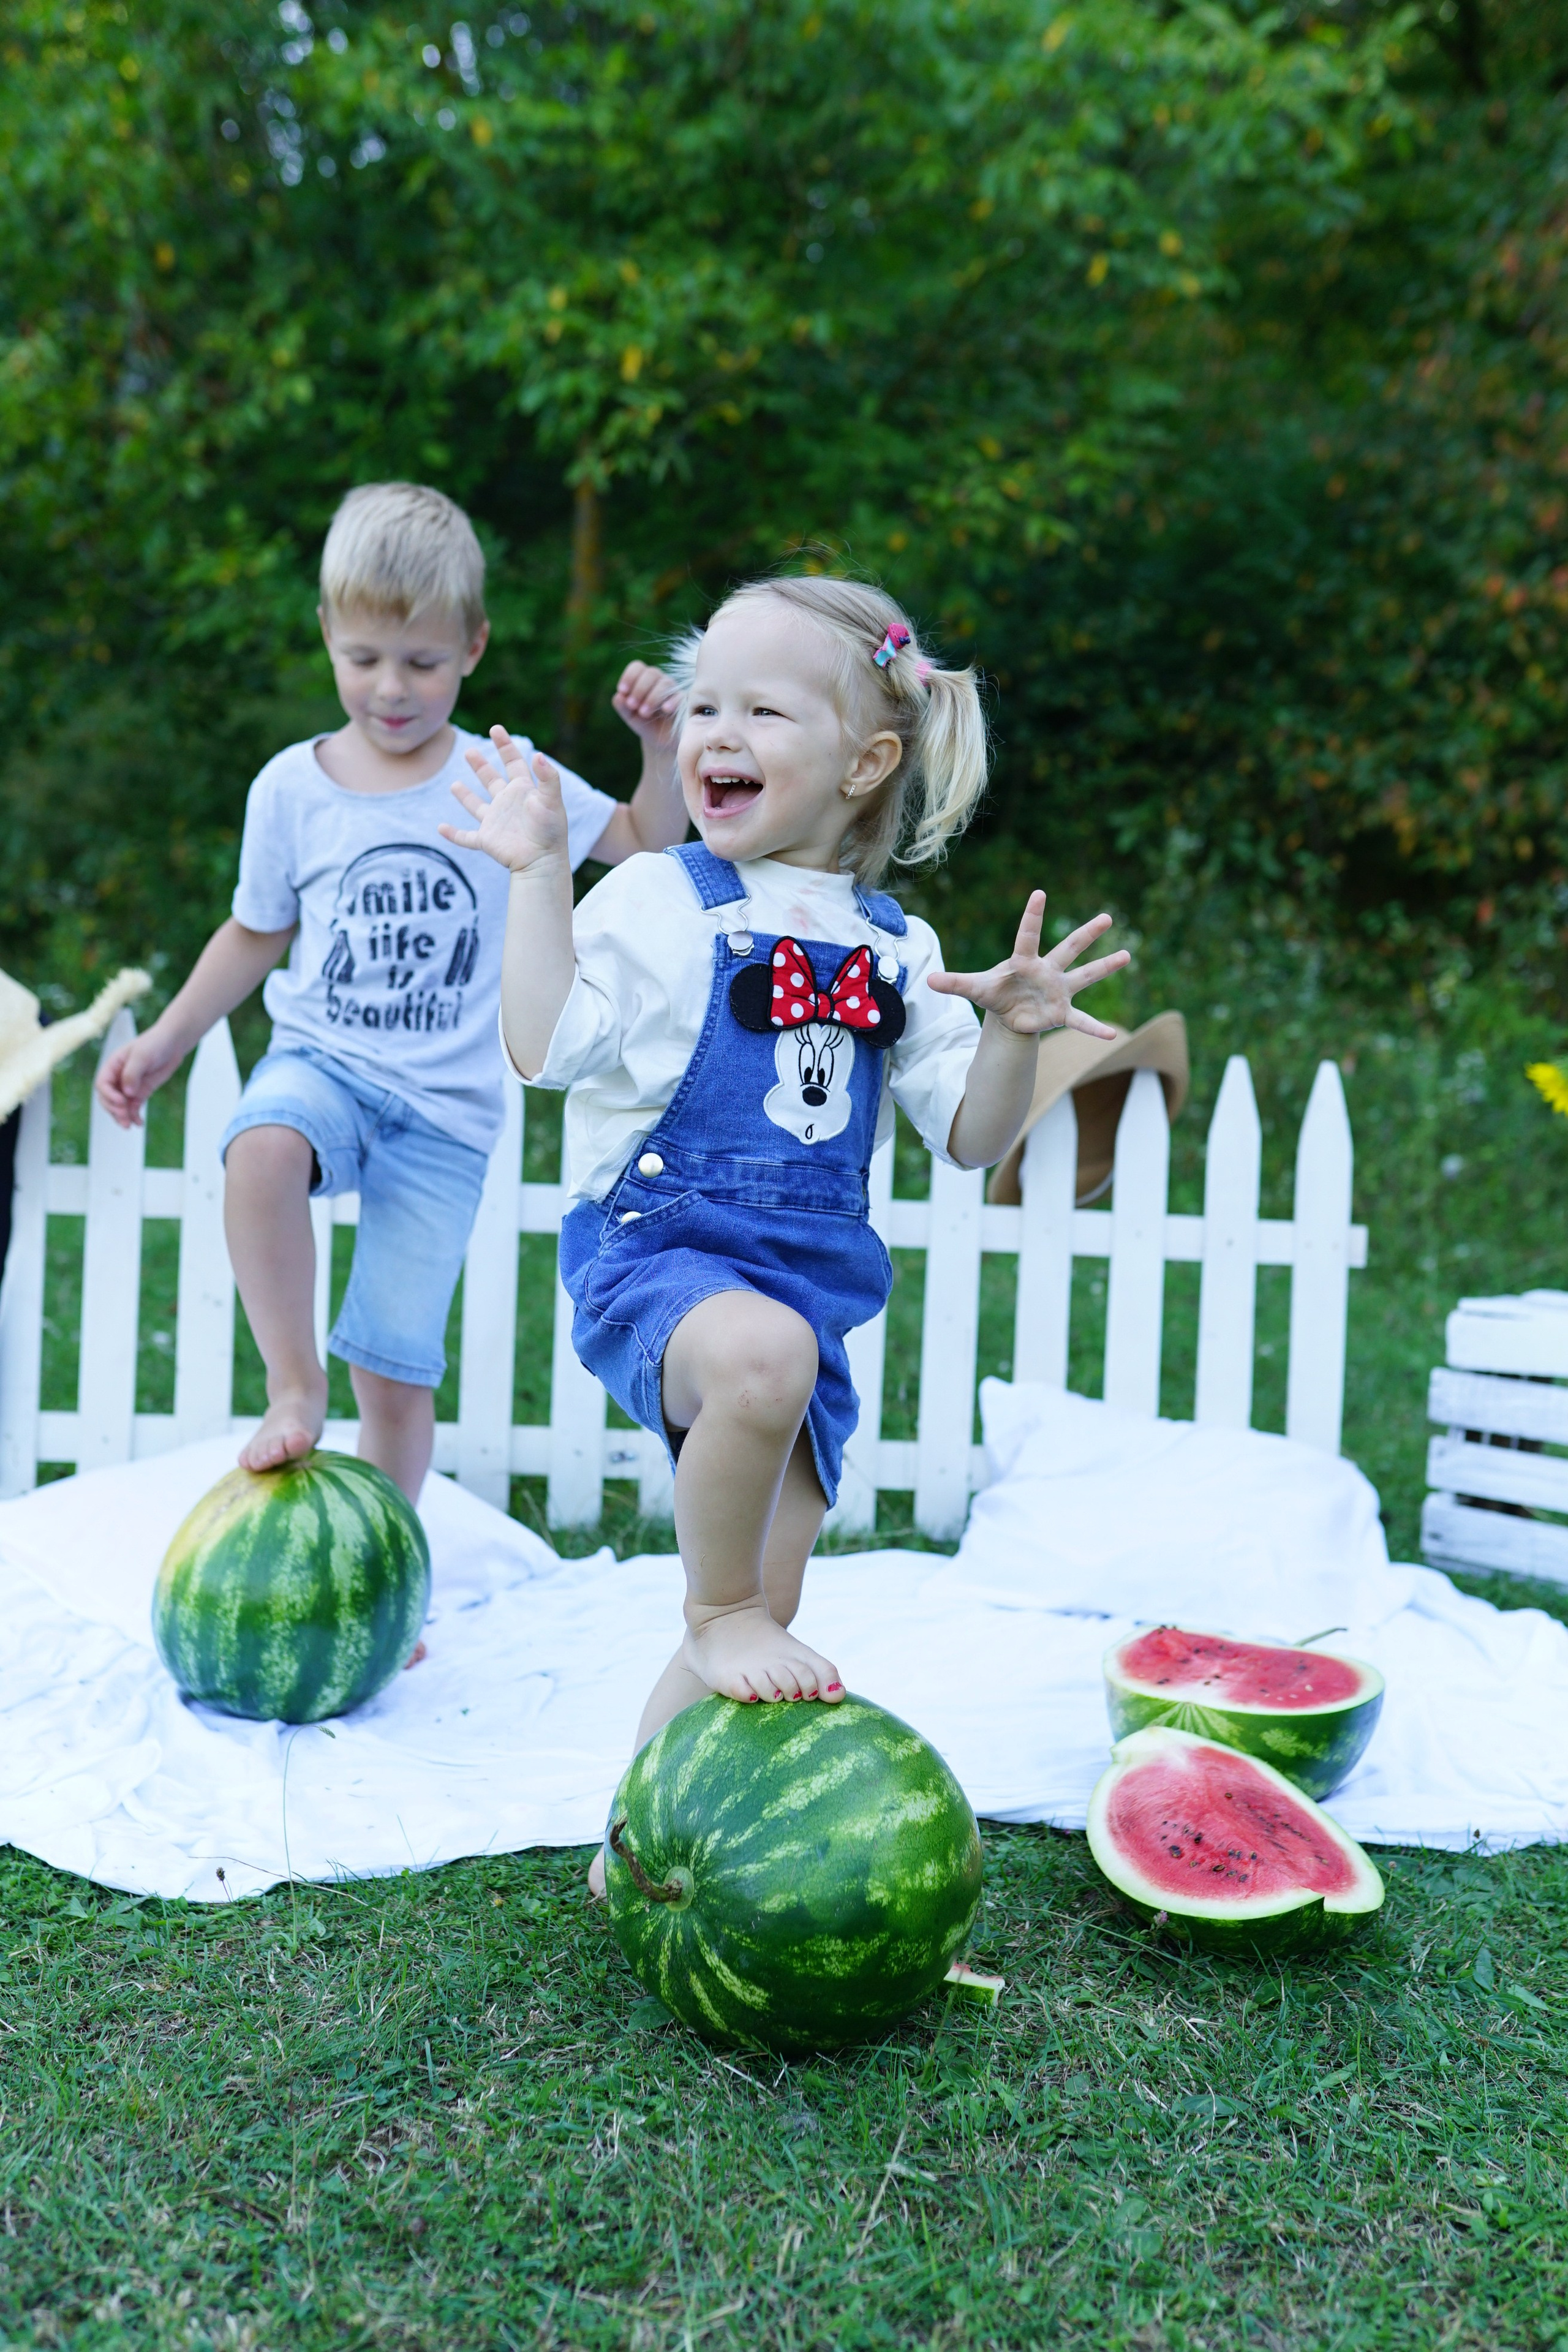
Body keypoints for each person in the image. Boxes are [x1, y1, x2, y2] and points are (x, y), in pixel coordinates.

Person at [443, 573, 1128, 1879]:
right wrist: (536, 875)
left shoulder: (893, 945)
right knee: (750, 1489)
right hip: (657, 1247)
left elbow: (971, 1139)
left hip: (806, 1297)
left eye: (762, 709)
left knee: (778, 1592)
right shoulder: (655, 899)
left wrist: (1005, 1035)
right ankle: (714, 1605)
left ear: (865, 762)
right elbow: (542, 1048)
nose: (714, 733)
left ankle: (640, 1843)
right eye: (702, 704)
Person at [96, 480, 688, 1504]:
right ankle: (291, 1387)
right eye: (363, 658)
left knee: (397, 1370)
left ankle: (385, 1560)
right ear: (326, 633)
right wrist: (172, 1042)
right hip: (324, 1063)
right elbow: (254, 931)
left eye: (421, 662)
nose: (391, 688)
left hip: (445, 1117)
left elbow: (640, 841)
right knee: (261, 1146)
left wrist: (660, 753)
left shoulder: (506, 773)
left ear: (474, 647)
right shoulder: (292, 786)